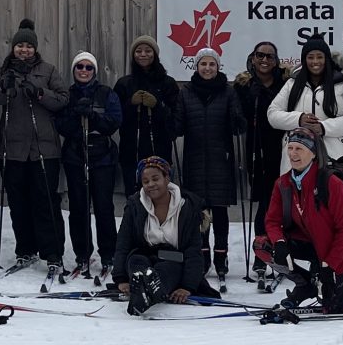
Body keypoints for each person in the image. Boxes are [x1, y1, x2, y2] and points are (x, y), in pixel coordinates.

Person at [261, 127, 343, 316]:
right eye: (290, 148)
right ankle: (306, 285)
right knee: (262, 245)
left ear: (313, 153)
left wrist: (329, 265)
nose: (293, 154)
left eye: (299, 149)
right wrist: (280, 243)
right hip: (312, 245)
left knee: (334, 309)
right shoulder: (283, 183)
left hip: (341, 250)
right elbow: (272, 221)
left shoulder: (331, 183)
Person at [0, 19, 70, 271]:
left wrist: (39, 92)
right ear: (13, 48)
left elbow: (63, 99)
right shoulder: (3, 70)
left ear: (35, 49)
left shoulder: (47, 70)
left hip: (43, 149)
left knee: (45, 201)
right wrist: (5, 86)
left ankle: (53, 252)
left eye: (28, 46)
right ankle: (25, 248)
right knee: (18, 202)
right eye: (19, 46)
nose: (24, 50)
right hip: (11, 148)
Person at [174, 47, 245, 277]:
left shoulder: (227, 91)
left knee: (220, 210)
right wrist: (169, 121)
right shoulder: (186, 92)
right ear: (197, 67)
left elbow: (238, 124)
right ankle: (202, 258)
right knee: (199, 211)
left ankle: (221, 257)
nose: (207, 68)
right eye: (203, 64)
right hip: (194, 158)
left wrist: (238, 120)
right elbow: (179, 124)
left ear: (218, 67)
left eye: (211, 64)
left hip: (220, 158)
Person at [112, 157, 213, 316]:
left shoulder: (187, 207)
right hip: (144, 255)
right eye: (145, 181)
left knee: (164, 268)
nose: (150, 184)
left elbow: (194, 251)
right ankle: (142, 286)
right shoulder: (135, 205)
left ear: (167, 178)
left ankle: (146, 290)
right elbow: (123, 243)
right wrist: (120, 278)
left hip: (173, 260)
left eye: (155, 179)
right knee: (136, 260)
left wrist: (187, 286)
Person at [55, 51, 123, 273]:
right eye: (80, 67)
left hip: (102, 157)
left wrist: (94, 117)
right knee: (78, 207)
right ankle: (82, 253)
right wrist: (76, 115)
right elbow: (61, 124)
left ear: (94, 71)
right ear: (74, 70)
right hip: (76, 156)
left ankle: (108, 253)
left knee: (103, 207)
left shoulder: (106, 93)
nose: (84, 71)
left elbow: (114, 122)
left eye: (88, 67)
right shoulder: (68, 94)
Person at [234, 41, 289, 287]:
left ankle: (281, 249)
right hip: (256, 148)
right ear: (253, 58)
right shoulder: (245, 85)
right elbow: (238, 116)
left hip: (282, 148)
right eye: (260, 55)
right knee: (264, 202)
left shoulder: (285, 83)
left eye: (270, 56)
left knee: (280, 201)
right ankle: (261, 252)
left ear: (276, 60)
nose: (264, 60)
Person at [267, 34, 343, 174]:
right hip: (296, 157)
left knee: (331, 194)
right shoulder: (292, 84)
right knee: (297, 195)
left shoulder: (340, 84)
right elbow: (273, 114)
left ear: (326, 59)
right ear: (304, 60)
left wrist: (324, 127)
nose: (315, 61)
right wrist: (299, 119)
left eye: (320, 57)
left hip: (334, 157)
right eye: (310, 57)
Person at [113, 36, 179, 195]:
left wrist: (157, 105)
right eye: (138, 51)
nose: (143, 54)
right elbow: (115, 118)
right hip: (131, 152)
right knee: (134, 197)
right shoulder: (124, 84)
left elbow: (175, 119)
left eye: (148, 51)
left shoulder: (167, 83)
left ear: (155, 54)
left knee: (160, 197)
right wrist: (130, 104)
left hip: (159, 150)